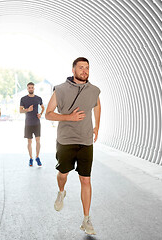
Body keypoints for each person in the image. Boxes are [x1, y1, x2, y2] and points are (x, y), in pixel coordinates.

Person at [45, 57, 101, 235]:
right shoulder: (60, 90)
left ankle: (86, 219)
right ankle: (61, 191)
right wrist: (68, 117)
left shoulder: (94, 90)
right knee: (63, 174)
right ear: (73, 70)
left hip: (85, 141)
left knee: (86, 179)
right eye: (81, 68)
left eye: (87, 68)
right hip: (66, 140)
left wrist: (97, 126)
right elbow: (48, 114)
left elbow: (97, 106)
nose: (85, 71)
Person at [20, 82, 45, 166]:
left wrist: (40, 114)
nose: (31, 89)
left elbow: (43, 107)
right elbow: (20, 111)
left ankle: (37, 157)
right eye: (29, 87)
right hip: (28, 124)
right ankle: (31, 158)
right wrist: (27, 110)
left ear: (34, 88)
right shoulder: (23, 99)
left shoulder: (38, 98)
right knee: (29, 142)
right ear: (27, 89)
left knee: (38, 141)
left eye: (32, 87)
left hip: (37, 123)